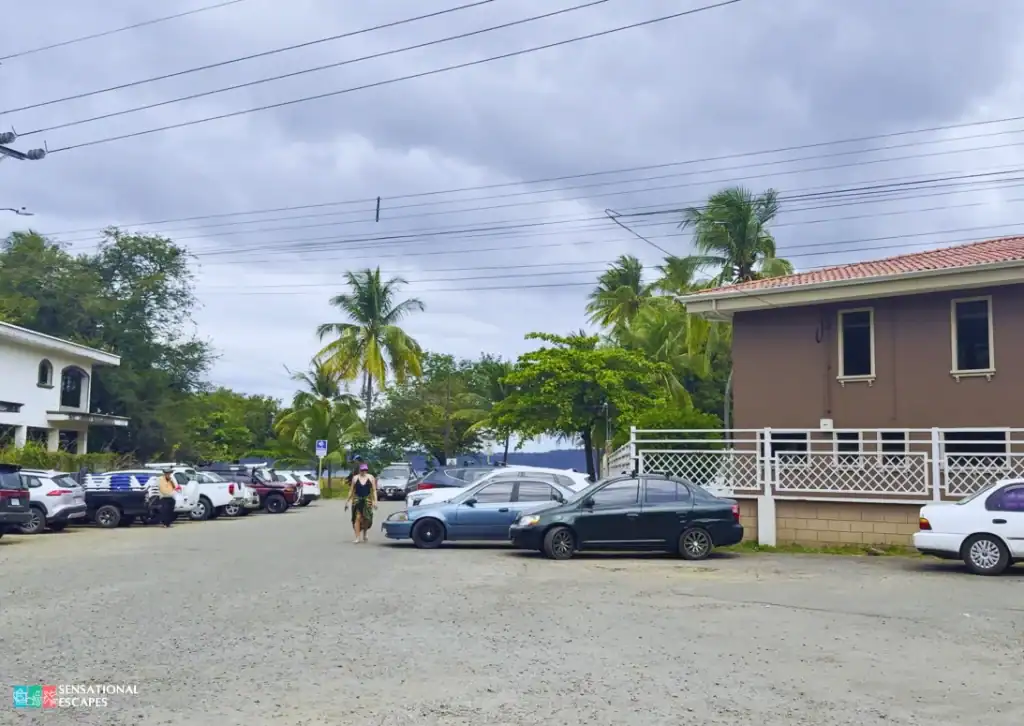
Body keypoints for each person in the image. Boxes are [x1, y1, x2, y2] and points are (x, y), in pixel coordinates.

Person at [345, 462, 377, 543]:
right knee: (357, 518)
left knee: (367, 518)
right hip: (357, 499)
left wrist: (375, 501)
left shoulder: (371, 478)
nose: (364, 472)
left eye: (365, 470)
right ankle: (357, 537)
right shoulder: (355, 478)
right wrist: (347, 502)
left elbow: (373, 490)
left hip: (367, 499)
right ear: (360, 470)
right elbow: (351, 490)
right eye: (362, 470)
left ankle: (365, 533)